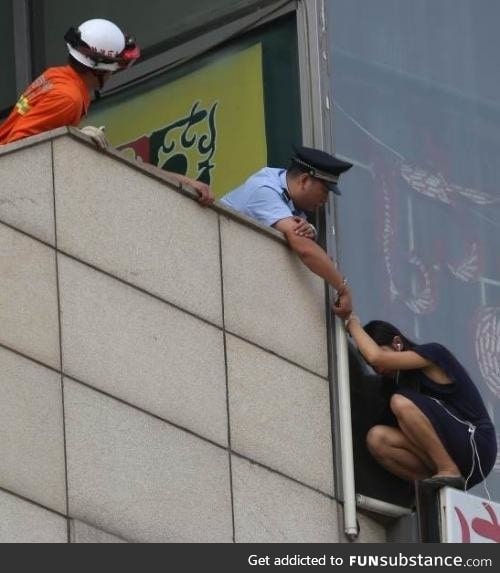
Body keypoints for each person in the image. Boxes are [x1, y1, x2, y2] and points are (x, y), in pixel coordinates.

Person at [0, 18, 213, 206]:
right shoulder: (68, 98)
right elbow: (18, 153)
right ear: (99, 68)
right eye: (116, 67)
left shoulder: (58, 76)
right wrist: (72, 142)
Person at [344, 315, 497, 490]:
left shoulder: (433, 355)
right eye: (370, 367)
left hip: (477, 443)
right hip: (453, 455)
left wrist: (351, 322)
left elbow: (376, 358)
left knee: (400, 402)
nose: (376, 369)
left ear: (397, 344)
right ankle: (436, 490)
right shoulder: (394, 387)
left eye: (382, 351)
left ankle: (448, 470)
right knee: (377, 439)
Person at [220, 146, 353, 318]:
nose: (326, 200)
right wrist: (342, 288)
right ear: (304, 180)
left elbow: (302, 236)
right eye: (325, 191)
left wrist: (310, 230)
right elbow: (304, 249)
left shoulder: (288, 192)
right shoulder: (265, 190)